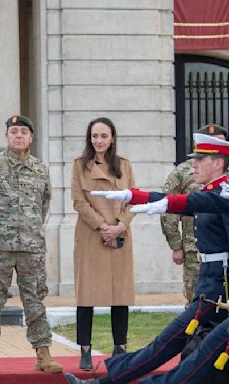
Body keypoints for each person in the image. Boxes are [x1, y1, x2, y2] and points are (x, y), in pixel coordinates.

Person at [65, 133, 229, 384]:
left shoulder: (222, 194)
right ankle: (101, 382)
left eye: (200, 159)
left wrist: (150, 202)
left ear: (218, 163)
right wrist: (135, 196)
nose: (193, 165)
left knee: (185, 359)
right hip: (210, 287)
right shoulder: (212, 191)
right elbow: (183, 202)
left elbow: (186, 202)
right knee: (168, 346)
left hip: (219, 292)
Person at [0, 115, 62, 375]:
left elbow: (44, 204)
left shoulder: (40, 169)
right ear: (7, 137)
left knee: (35, 301)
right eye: (14, 131)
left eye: (24, 131)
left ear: (31, 137)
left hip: (31, 247)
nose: (19, 135)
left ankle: (43, 353)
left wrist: (29, 229)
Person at [70, 117, 136, 370]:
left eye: (103, 136)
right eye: (94, 136)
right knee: (86, 295)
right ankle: (85, 349)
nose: (99, 141)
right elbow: (78, 201)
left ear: (112, 138)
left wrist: (120, 225)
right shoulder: (79, 165)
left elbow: (134, 199)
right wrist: (102, 226)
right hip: (91, 235)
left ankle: (120, 348)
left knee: (119, 295)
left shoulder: (125, 166)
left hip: (120, 236)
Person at [161, 123, 227, 307]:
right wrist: (176, 245)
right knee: (196, 300)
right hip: (193, 249)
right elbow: (170, 208)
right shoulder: (183, 172)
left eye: (222, 142)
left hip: (221, 248)